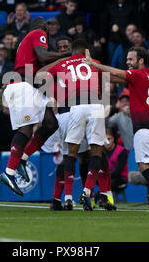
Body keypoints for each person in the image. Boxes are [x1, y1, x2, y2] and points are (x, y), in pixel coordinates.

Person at [86, 46, 149, 212]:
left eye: (130, 59)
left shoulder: (137, 75)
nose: (127, 62)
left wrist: (94, 65)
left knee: (144, 166)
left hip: (143, 128)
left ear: (141, 60)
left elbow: (118, 73)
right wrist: (97, 74)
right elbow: (117, 78)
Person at [0, 17, 70, 196]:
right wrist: (65, 55)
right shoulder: (38, 33)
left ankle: (23, 159)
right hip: (22, 85)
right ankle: (9, 173)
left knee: (51, 124)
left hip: (31, 86)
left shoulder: (27, 41)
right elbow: (44, 56)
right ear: (43, 27)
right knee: (25, 130)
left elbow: (40, 66)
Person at [42, 38, 112, 211]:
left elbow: (43, 78)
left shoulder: (62, 65)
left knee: (72, 156)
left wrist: (51, 98)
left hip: (71, 111)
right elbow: (106, 83)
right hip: (93, 106)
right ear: (86, 51)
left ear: (71, 50)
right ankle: (91, 193)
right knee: (95, 153)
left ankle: (67, 197)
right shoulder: (94, 63)